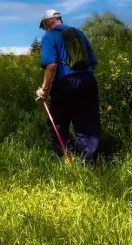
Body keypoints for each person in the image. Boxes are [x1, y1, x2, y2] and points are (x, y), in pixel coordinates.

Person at [35, 9, 101, 162]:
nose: (44, 29)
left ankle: (67, 157)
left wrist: (44, 89)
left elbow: (51, 65)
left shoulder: (49, 36)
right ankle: (89, 162)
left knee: (58, 121)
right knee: (87, 122)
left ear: (47, 22)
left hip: (65, 83)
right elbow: (93, 62)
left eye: (44, 26)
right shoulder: (79, 34)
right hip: (88, 81)